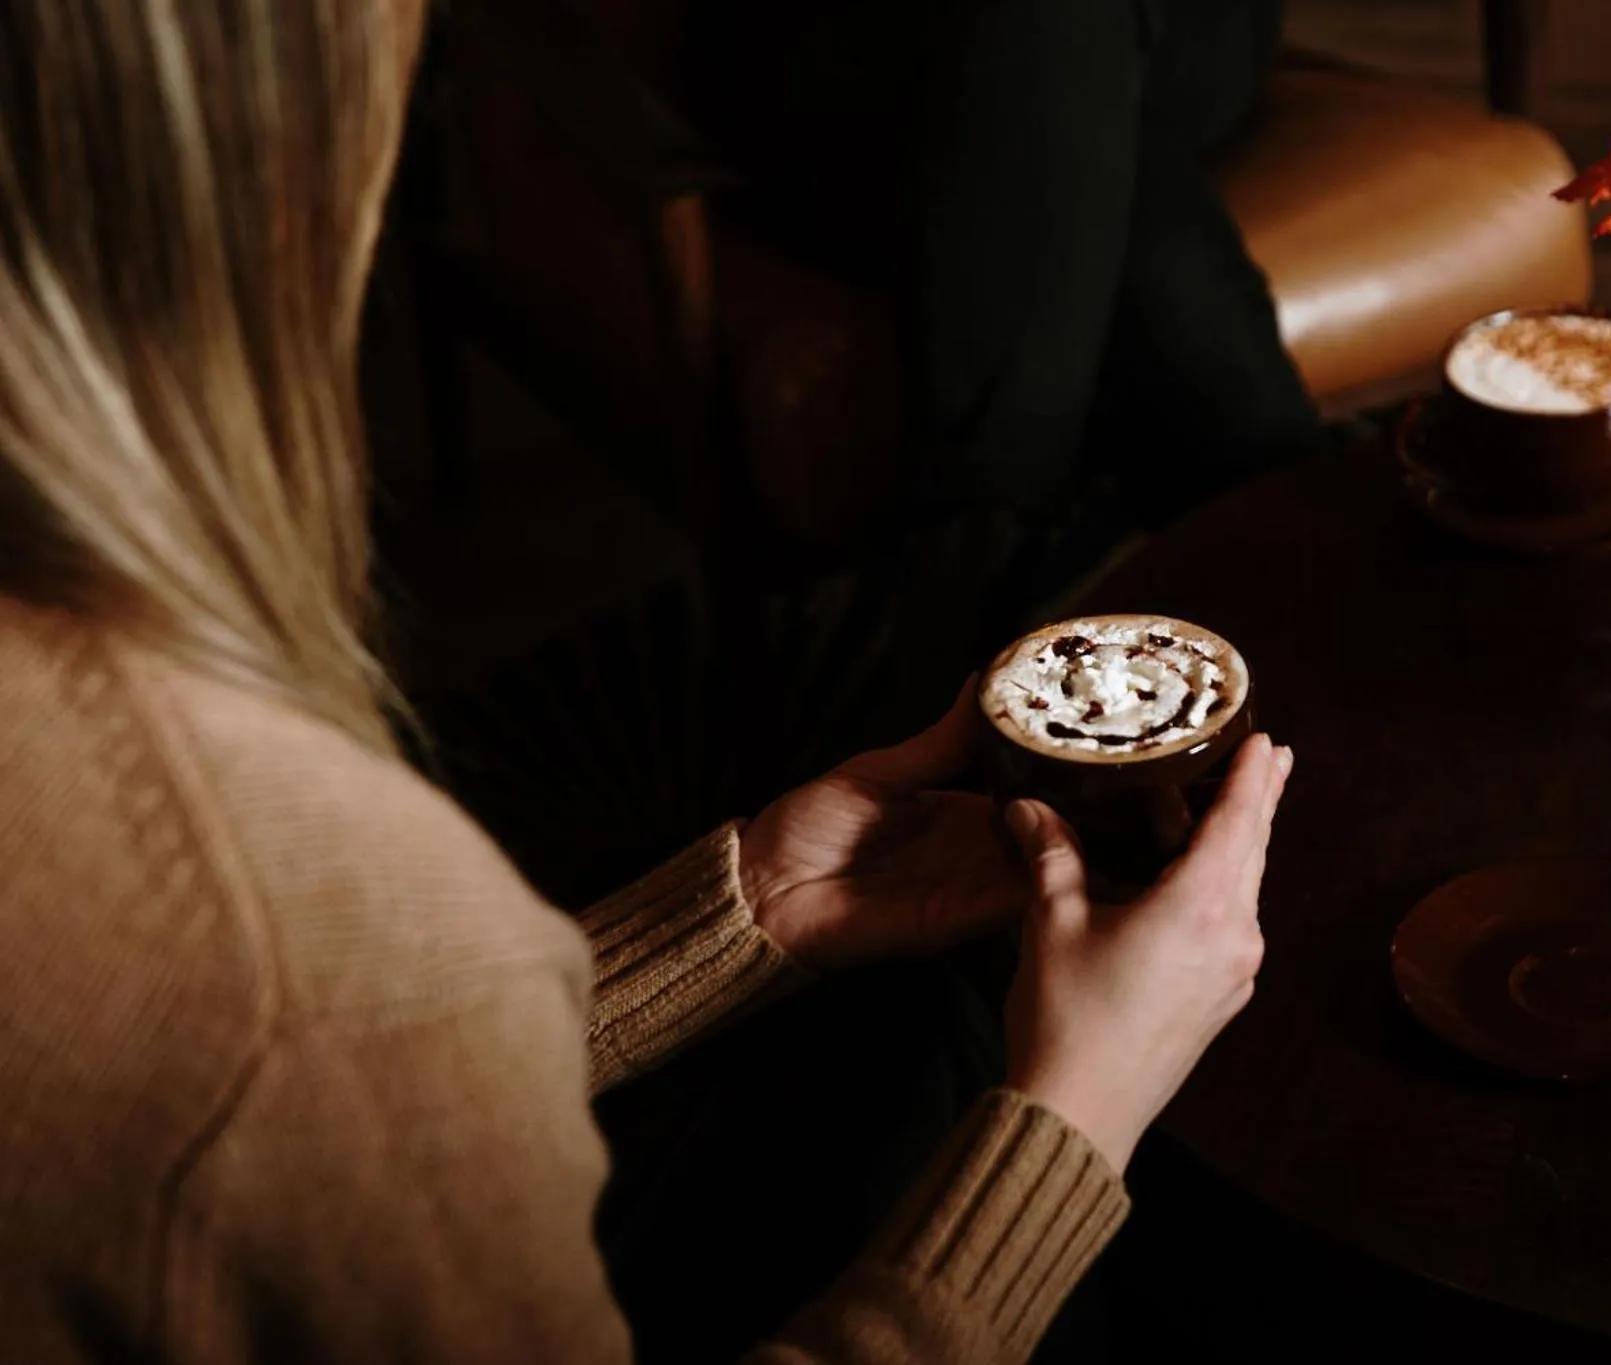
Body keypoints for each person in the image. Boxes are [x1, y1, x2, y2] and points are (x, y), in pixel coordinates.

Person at [0, 3, 1291, 1363]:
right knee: (930, 1064)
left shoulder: (290, 938)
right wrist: (1078, 1115)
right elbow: (318, 1054)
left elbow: (326, 1101)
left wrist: (728, 921)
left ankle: (1111, 522)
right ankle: (1256, 508)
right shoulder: (308, 925)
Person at [676, 0, 1328, 774]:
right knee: (1073, 130)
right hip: (851, 64)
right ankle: (1304, 569)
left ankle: (968, 620)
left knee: (1049, 69)